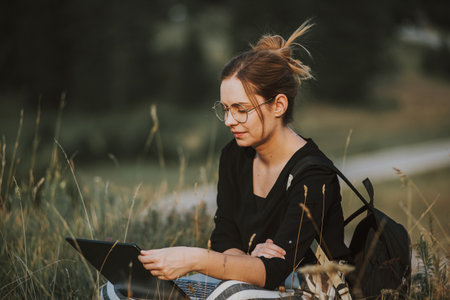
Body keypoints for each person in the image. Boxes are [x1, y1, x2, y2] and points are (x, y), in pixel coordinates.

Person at [136, 21, 351, 299]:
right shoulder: (234, 155)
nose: (229, 121)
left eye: (241, 109)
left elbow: (276, 269)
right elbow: (225, 234)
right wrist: (246, 263)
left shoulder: (313, 175)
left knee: (229, 296)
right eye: (225, 109)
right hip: (259, 286)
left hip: (318, 291)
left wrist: (196, 259)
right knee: (127, 291)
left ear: (279, 105)